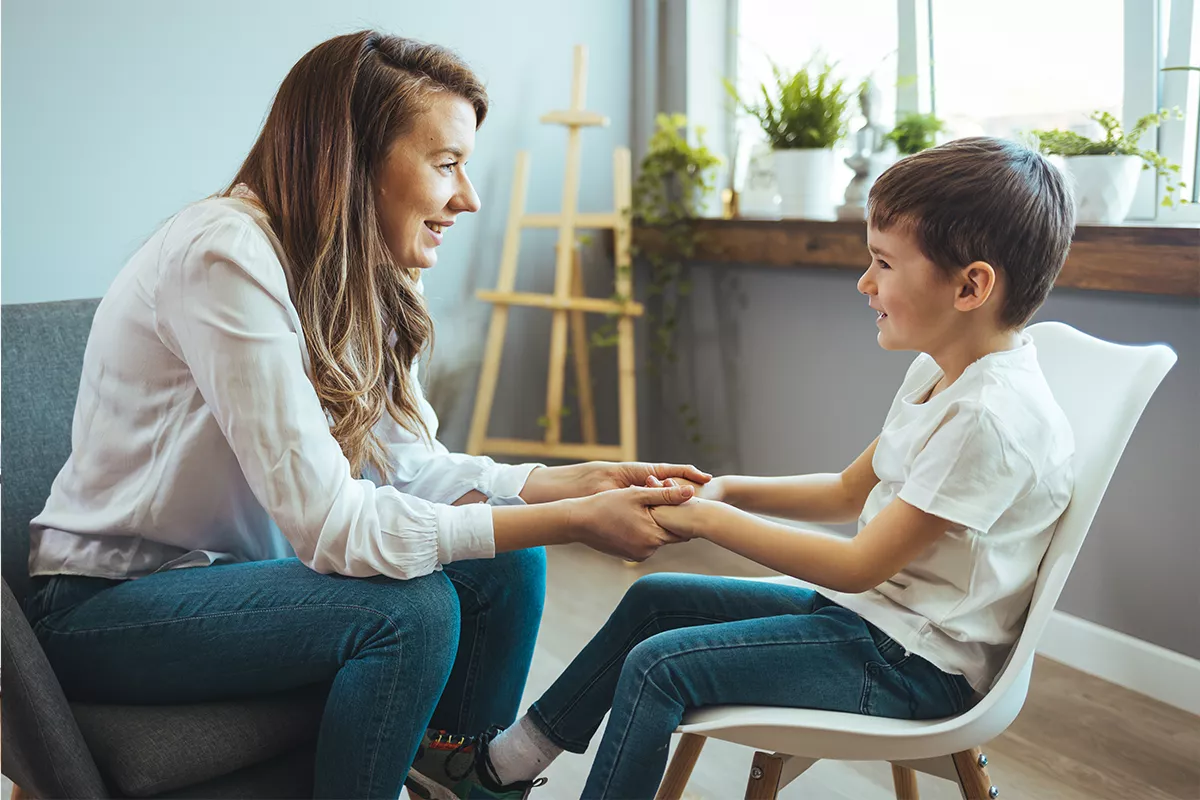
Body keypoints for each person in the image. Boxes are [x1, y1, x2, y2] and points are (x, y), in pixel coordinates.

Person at [21, 30, 710, 800]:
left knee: (508, 561)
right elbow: (331, 526)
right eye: (447, 164)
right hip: (108, 607)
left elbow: (408, 467)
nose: (469, 198)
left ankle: (462, 780)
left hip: (241, 580)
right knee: (409, 612)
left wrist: (565, 484)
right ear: (351, 159)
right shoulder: (223, 257)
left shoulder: (359, 266)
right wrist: (577, 521)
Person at [420, 137, 1078, 799]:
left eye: (883, 263)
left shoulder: (989, 419)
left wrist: (711, 520)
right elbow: (849, 491)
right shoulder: (940, 374)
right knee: (656, 604)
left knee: (660, 666)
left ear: (971, 286)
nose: (865, 281)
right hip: (870, 625)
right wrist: (726, 488)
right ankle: (502, 771)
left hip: (914, 667)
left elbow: (858, 564)